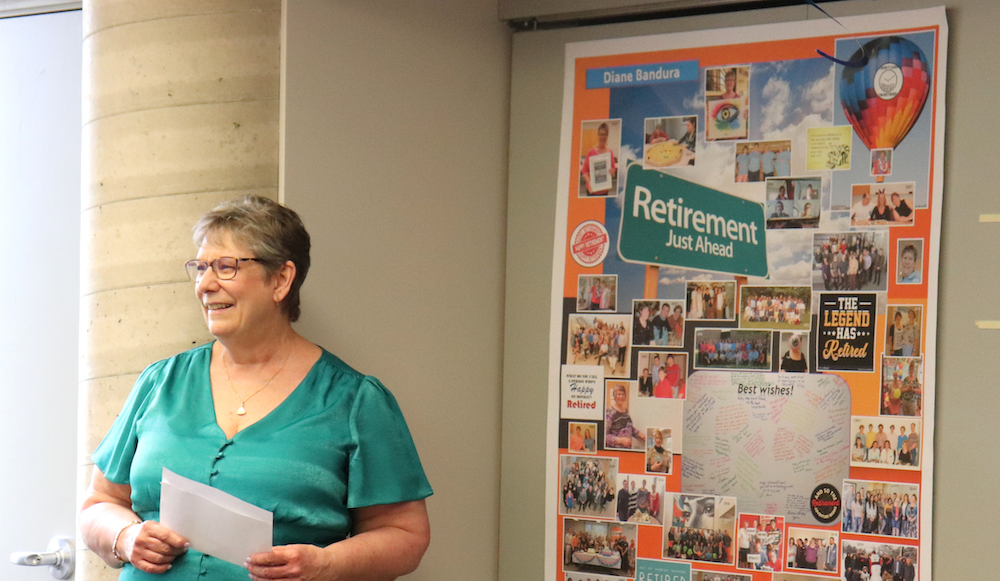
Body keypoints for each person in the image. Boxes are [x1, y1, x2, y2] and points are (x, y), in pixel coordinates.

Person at [80, 196, 432, 581]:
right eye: (200, 268)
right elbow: (100, 504)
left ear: (281, 279)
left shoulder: (354, 400)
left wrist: (325, 565)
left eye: (225, 267)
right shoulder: (160, 382)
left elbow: (404, 535)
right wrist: (126, 536)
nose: (205, 284)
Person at [581, 122, 617, 194]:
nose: (602, 137)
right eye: (600, 134)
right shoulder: (591, 152)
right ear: (597, 135)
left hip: (604, 190)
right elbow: (584, 170)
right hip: (592, 190)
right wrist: (589, 182)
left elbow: (613, 169)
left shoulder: (610, 152)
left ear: (607, 135)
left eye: (604, 135)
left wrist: (612, 172)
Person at [605, 383, 644, 449]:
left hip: (627, 450)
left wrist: (639, 434)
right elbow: (604, 436)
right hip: (615, 451)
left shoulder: (626, 411)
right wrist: (620, 440)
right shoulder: (609, 411)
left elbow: (629, 428)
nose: (621, 396)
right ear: (614, 396)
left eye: (623, 394)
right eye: (619, 394)